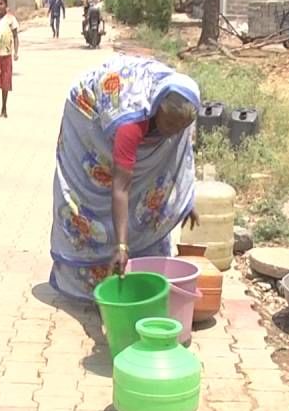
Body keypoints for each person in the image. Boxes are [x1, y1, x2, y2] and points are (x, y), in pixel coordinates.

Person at [49, 55, 201, 300]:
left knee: (150, 193)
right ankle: (98, 279)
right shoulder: (131, 124)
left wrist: (185, 199)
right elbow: (121, 186)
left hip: (133, 100)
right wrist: (121, 245)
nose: (172, 132)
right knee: (97, 188)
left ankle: (144, 267)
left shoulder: (182, 105)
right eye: (169, 124)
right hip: (89, 108)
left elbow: (180, 153)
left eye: (179, 127)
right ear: (157, 110)